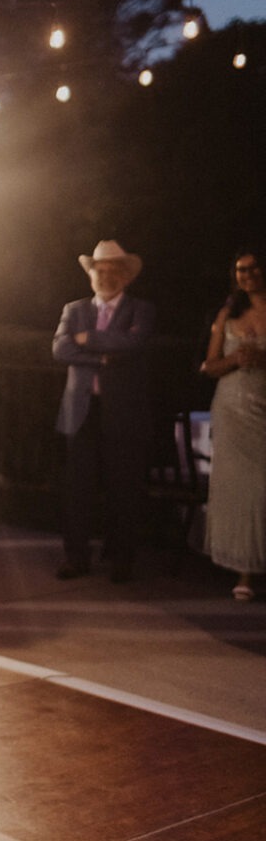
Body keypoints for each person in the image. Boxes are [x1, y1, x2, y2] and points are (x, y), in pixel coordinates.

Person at [53, 239, 155, 582]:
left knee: (122, 487)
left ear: (125, 276)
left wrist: (87, 340)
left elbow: (134, 343)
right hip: (81, 410)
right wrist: (101, 356)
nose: (106, 276)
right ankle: (75, 557)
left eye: (114, 271)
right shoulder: (74, 309)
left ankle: (121, 560)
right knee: (77, 488)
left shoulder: (140, 310)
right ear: (91, 274)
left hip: (122, 412)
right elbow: (61, 349)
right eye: (100, 270)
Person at [200, 248, 266, 600]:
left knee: (262, 487)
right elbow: (208, 366)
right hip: (231, 409)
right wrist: (237, 359)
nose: (248, 274)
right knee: (240, 489)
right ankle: (245, 572)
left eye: (254, 268)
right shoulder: (228, 313)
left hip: (263, 410)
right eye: (241, 269)